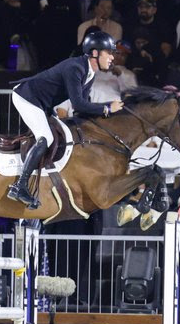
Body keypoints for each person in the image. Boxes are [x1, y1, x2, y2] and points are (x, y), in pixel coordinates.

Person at [7, 29, 123, 208]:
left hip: (42, 103)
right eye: (109, 53)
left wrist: (109, 114)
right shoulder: (75, 68)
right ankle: (20, 186)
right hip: (27, 97)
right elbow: (78, 105)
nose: (112, 57)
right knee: (46, 137)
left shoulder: (90, 73)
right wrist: (106, 108)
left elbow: (82, 109)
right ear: (95, 53)